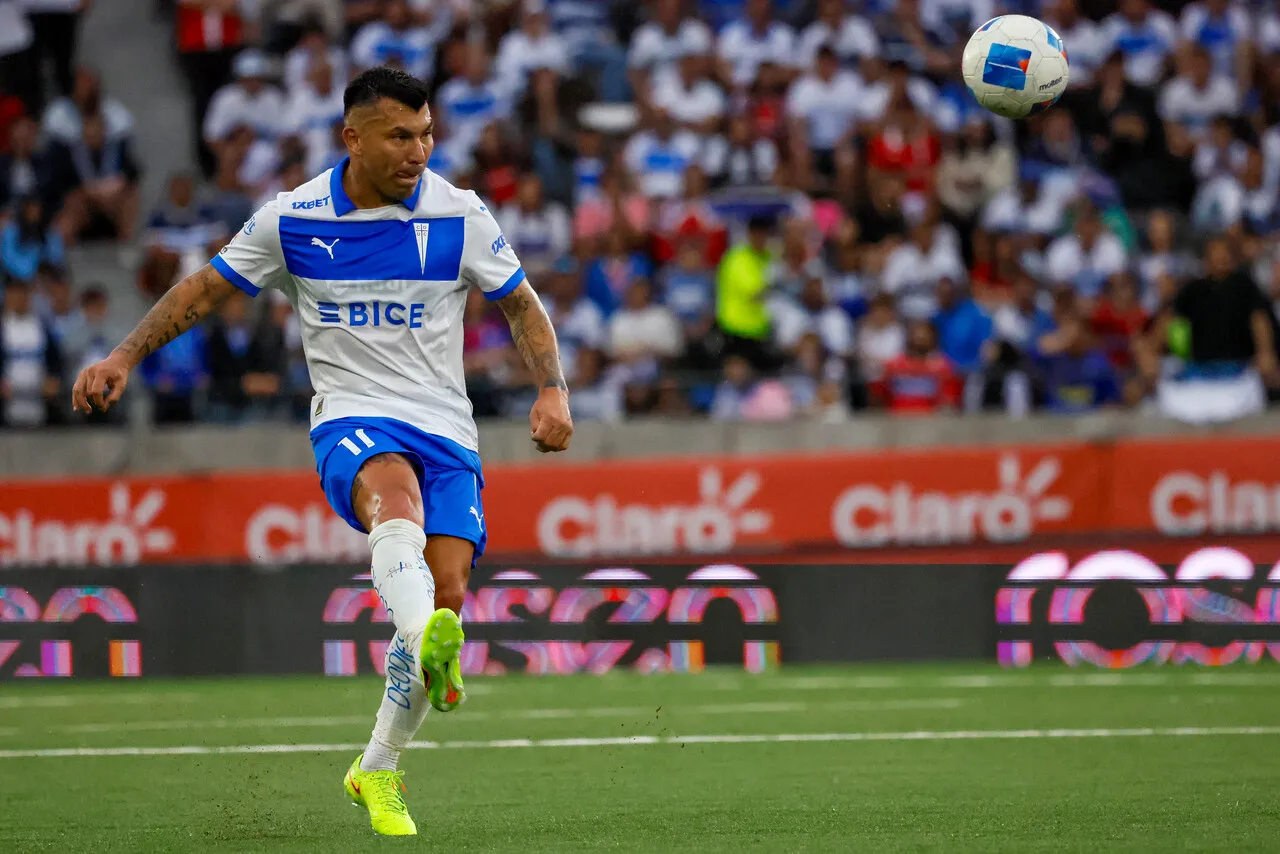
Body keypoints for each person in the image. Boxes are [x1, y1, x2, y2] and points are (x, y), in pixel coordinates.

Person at [71, 67, 573, 836]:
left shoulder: (460, 214)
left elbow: (519, 302)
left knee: (448, 594)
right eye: (401, 136)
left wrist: (552, 390)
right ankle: (425, 641)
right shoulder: (293, 219)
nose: (419, 150)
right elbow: (203, 291)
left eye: (428, 133)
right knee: (393, 500)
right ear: (354, 138)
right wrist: (122, 357)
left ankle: (376, 768)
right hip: (353, 418)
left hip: (447, 427)